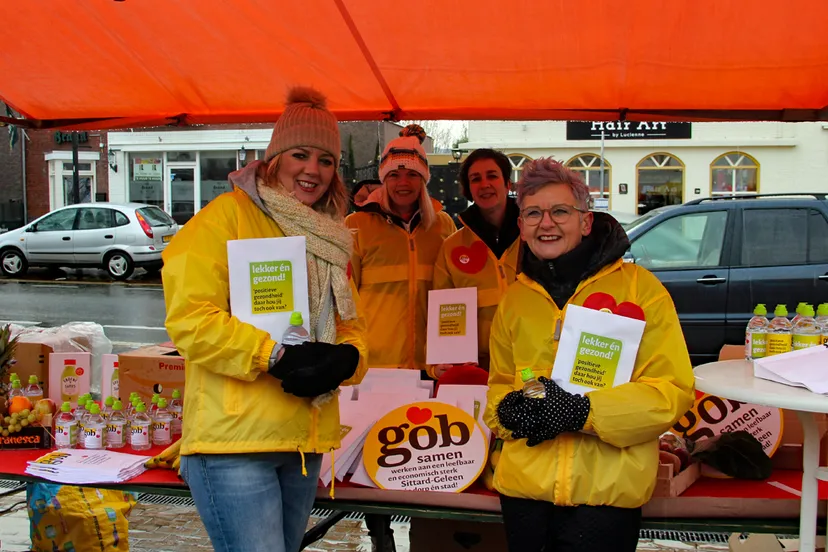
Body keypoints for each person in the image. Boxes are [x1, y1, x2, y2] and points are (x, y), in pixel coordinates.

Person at [162, 87, 368, 552]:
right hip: (234, 446)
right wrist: (273, 356)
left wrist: (347, 359)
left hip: (301, 443)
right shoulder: (224, 218)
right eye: (300, 154)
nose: (313, 170)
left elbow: (352, 324)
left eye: (326, 160)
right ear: (274, 158)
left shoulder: (330, 236)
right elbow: (191, 319)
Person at [483, 157, 694, 552]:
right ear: (521, 227)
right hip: (525, 495)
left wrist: (583, 412)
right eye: (533, 213)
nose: (546, 223)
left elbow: (670, 390)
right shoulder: (515, 299)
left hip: (605, 498)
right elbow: (506, 381)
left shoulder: (640, 290)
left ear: (585, 222)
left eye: (560, 211)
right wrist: (511, 410)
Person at [345, 124, 456, 551]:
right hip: (377, 365)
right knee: (375, 455)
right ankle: (380, 533)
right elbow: (345, 297)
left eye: (412, 173)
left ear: (424, 178)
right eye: (394, 174)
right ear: (383, 179)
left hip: (430, 366)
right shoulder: (357, 225)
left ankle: (426, 533)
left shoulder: (442, 225)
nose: (403, 182)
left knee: (423, 456)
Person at [430, 148, 520, 377]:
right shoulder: (452, 247)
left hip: (528, 363)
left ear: (507, 184)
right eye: (475, 179)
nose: (484, 184)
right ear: (468, 189)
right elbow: (443, 312)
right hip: (478, 369)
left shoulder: (534, 236)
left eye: (492, 176)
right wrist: (440, 361)